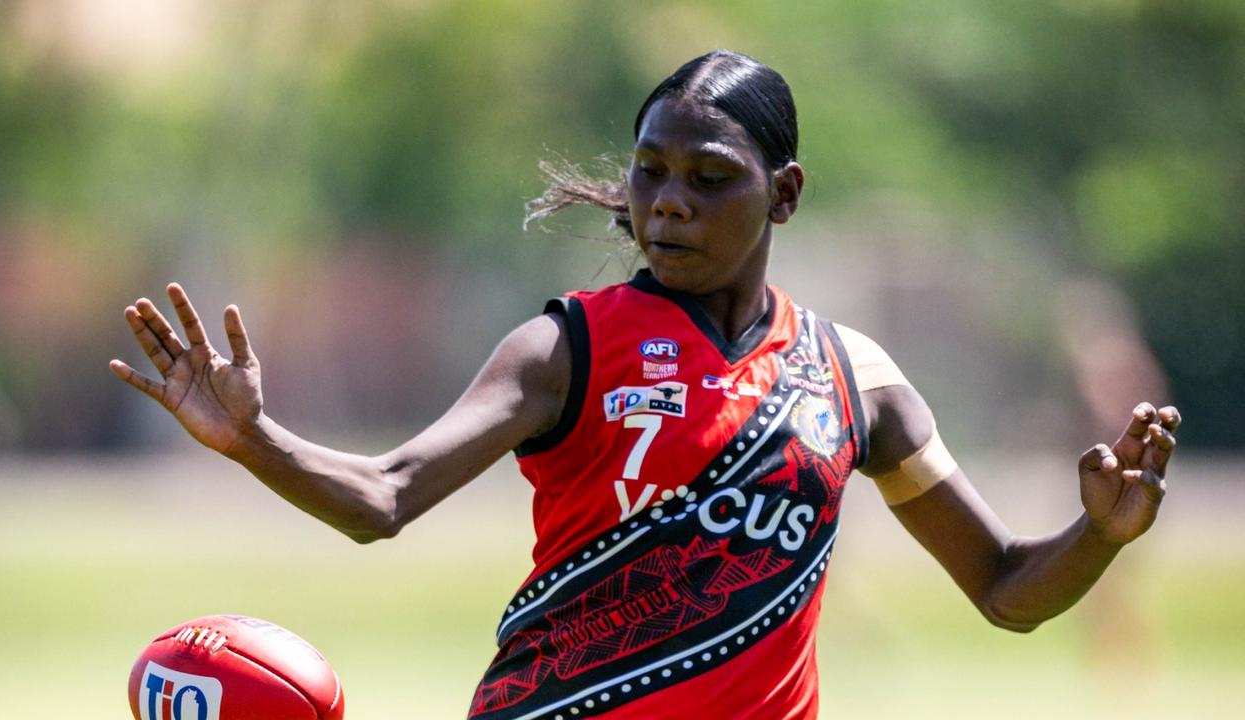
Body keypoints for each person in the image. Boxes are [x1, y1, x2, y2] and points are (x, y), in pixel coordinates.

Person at [110, 50, 1180, 720]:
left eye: (709, 179)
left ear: (785, 193)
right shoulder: (565, 348)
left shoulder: (857, 380)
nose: (668, 202)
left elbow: (1002, 592)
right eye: (650, 172)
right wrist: (254, 440)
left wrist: (1098, 537)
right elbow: (385, 497)